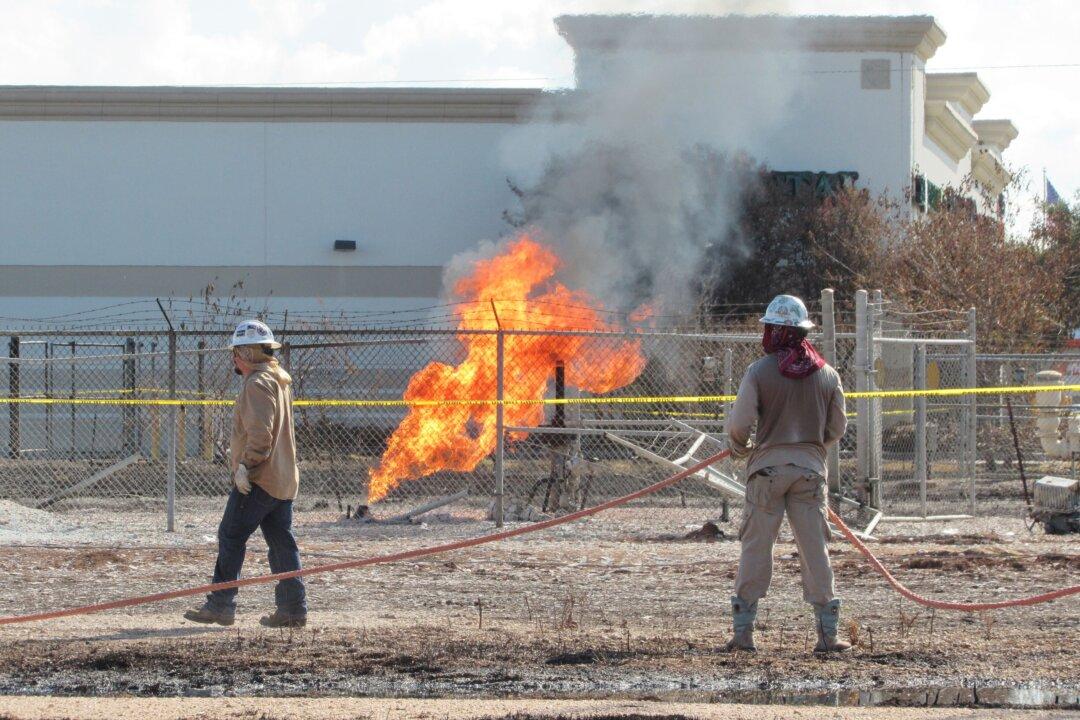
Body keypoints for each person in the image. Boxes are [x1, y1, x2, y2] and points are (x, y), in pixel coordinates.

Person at [725, 295, 849, 653]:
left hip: (766, 472)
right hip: (810, 473)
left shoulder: (759, 372)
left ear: (774, 332)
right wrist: (810, 450)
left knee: (756, 547)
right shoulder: (827, 374)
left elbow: (740, 423)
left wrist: (741, 445)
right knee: (815, 550)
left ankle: (744, 635)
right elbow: (837, 427)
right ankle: (828, 636)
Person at [183, 319, 307, 628]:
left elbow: (260, 436)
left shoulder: (257, 384)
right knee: (281, 543)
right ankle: (293, 608)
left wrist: (244, 468)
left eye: (237, 353)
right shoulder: (278, 380)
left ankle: (221, 604)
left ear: (250, 354)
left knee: (231, 534)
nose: (234, 359)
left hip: (259, 480)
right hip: (282, 479)